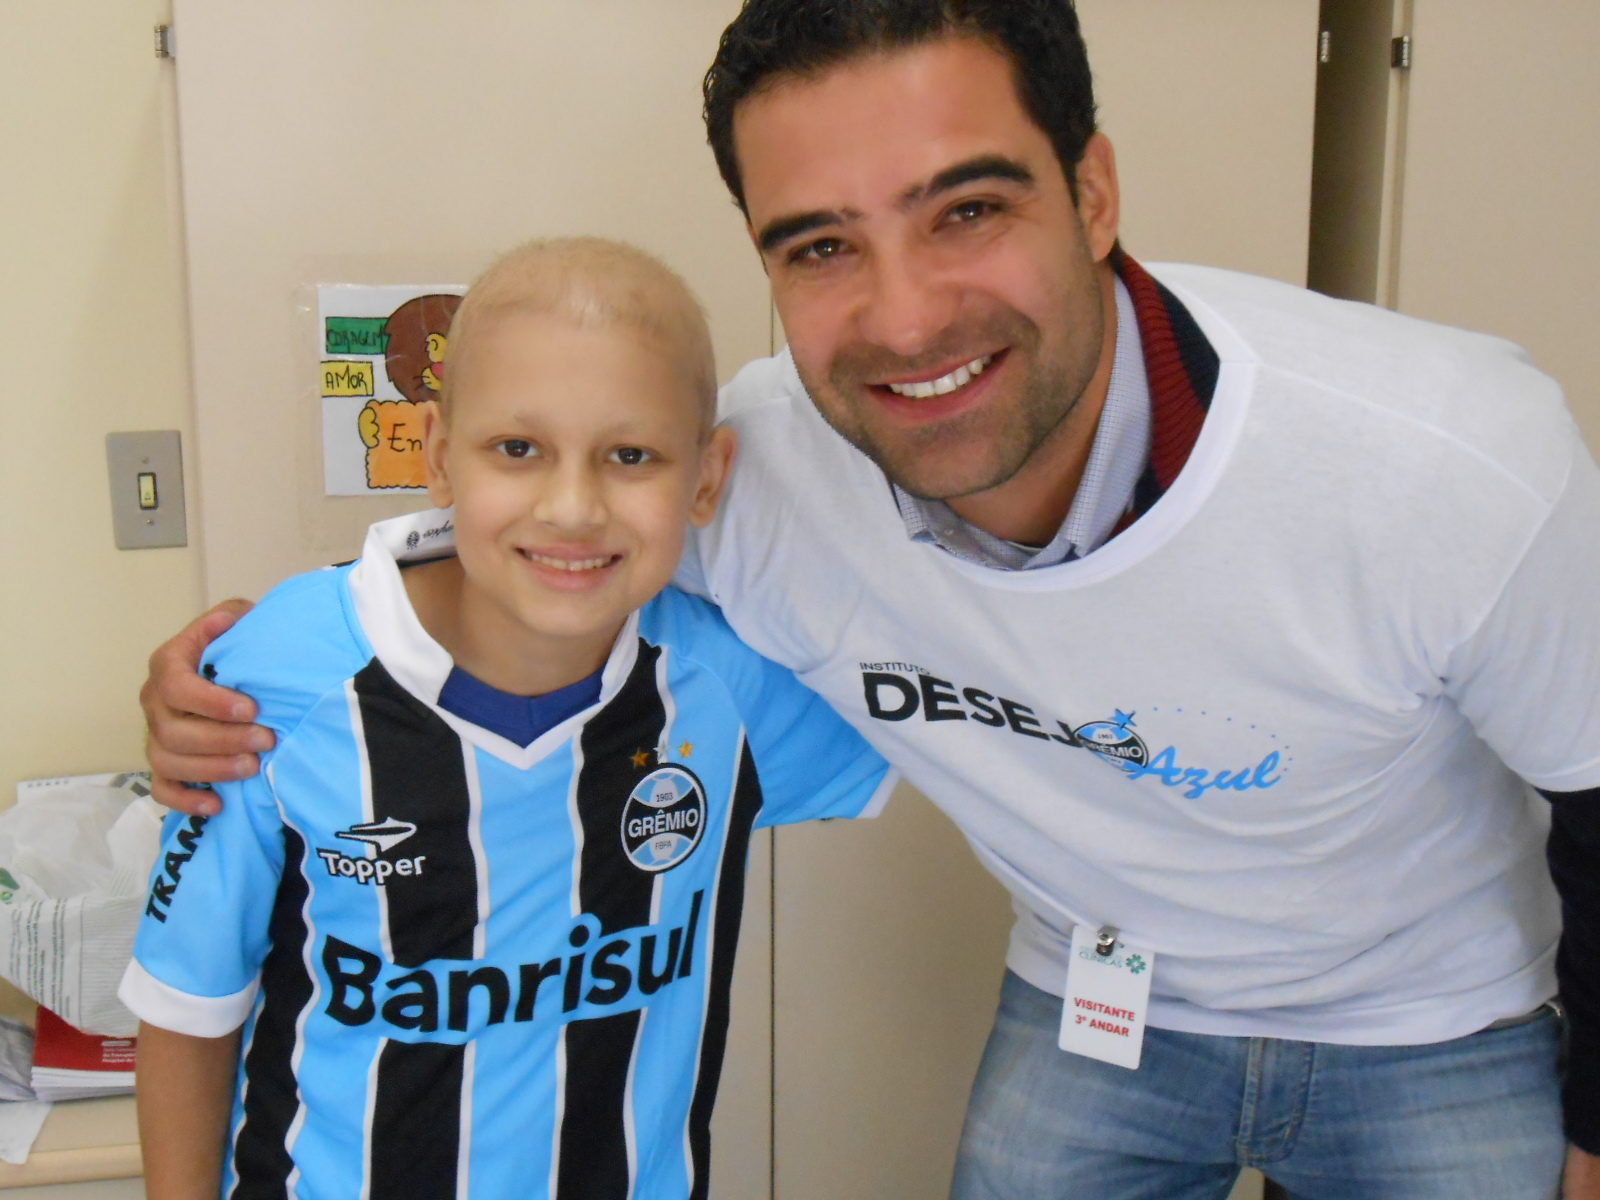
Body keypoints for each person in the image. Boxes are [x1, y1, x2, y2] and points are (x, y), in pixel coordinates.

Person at [142, 3, 1600, 1197]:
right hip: (1101, 996)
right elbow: (531, 554)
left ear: (1092, 191)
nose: (905, 317)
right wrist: (237, 687)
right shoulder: (754, 478)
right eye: (823, 245)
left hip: (1434, 1021)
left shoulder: (1449, 467)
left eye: (965, 208)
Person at [122, 238, 894, 1200]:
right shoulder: (275, 683)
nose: (572, 506)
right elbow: (189, 1005)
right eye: (518, 449)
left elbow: (998, 715)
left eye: (631, 455)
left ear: (706, 476)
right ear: (442, 455)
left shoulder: (731, 682)